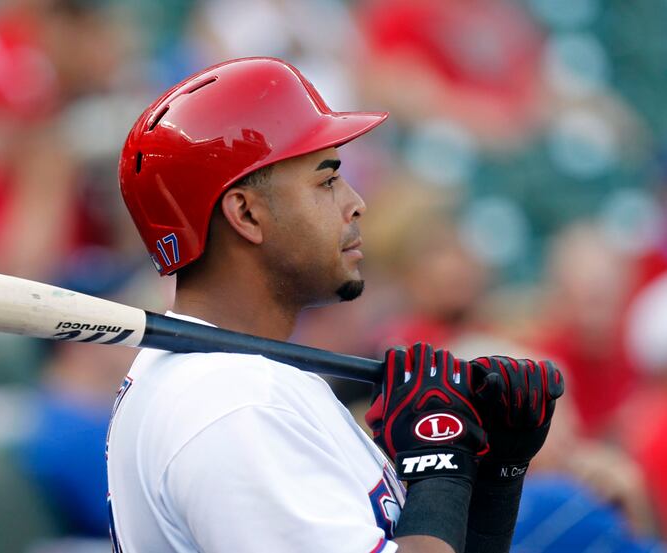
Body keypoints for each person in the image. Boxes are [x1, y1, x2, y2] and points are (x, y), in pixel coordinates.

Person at [107, 57, 562, 553]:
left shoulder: (240, 379)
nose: (356, 202)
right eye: (326, 181)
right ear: (246, 213)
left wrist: (495, 476)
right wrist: (440, 464)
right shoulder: (232, 405)